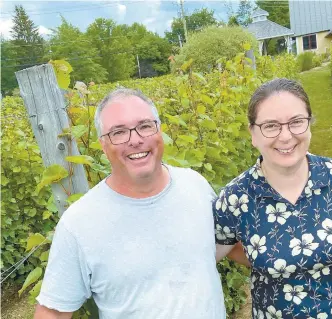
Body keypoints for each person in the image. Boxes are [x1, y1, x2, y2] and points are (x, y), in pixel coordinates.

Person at [214, 78, 332, 319]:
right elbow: (219, 249)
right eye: (271, 126)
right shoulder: (235, 199)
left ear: (309, 124)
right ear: (253, 133)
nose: (286, 136)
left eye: (296, 122)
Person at [35, 88, 226, 319]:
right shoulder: (79, 223)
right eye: (118, 132)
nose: (135, 140)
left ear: (159, 130)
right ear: (103, 145)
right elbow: (52, 312)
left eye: (145, 125)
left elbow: (226, 246)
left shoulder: (195, 185)